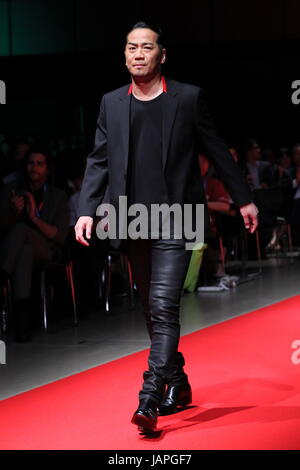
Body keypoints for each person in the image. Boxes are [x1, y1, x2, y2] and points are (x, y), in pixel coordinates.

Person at [75, 22, 258, 434]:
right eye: (131, 48)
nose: (138, 54)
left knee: (163, 305)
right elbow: (99, 159)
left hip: (178, 217)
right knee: (150, 310)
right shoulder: (111, 103)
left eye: (146, 47)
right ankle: (179, 382)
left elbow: (216, 148)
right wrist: (87, 208)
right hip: (130, 219)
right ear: (124, 56)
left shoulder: (188, 98)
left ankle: (150, 397)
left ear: (162, 55)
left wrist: (242, 198)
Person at [0, 147, 70, 341]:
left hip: (47, 248)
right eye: (31, 163)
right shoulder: (11, 191)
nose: (35, 168)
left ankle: (2, 276)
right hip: (16, 251)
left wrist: (33, 217)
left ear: (47, 169)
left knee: (23, 231)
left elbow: (58, 235)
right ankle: (23, 323)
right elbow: (2, 228)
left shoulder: (58, 196)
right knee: (24, 252)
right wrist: (14, 213)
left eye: (40, 164)